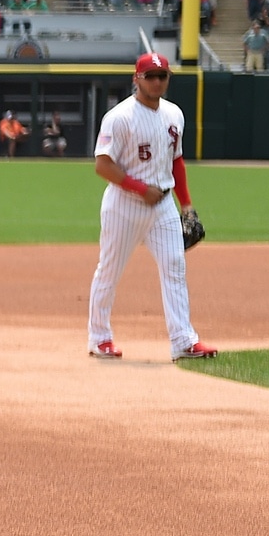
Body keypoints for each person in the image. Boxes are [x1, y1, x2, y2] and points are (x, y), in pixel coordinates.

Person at [87, 54, 218, 362]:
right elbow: (103, 166)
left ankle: (183, 341)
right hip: (124, 205)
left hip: (163, 207)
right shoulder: (119, 117)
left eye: (162, 75)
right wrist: (139, 189)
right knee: (109, 271)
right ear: (137, 79)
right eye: (151, 76)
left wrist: (187, 205)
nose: (157, 81)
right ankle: (99, 337)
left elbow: (177, 161)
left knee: (174, 267)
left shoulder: (174, 114)